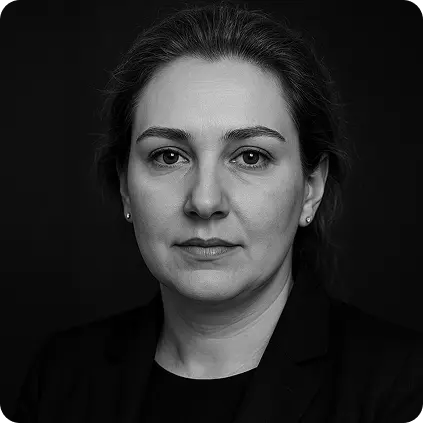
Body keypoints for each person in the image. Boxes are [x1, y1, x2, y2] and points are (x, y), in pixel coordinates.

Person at [13, 1, 422, 422]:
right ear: (124, 187)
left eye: (250, 157)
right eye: (169, 156)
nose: (205, 202)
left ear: (310, 188)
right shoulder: (62, 377)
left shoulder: (403, 387)